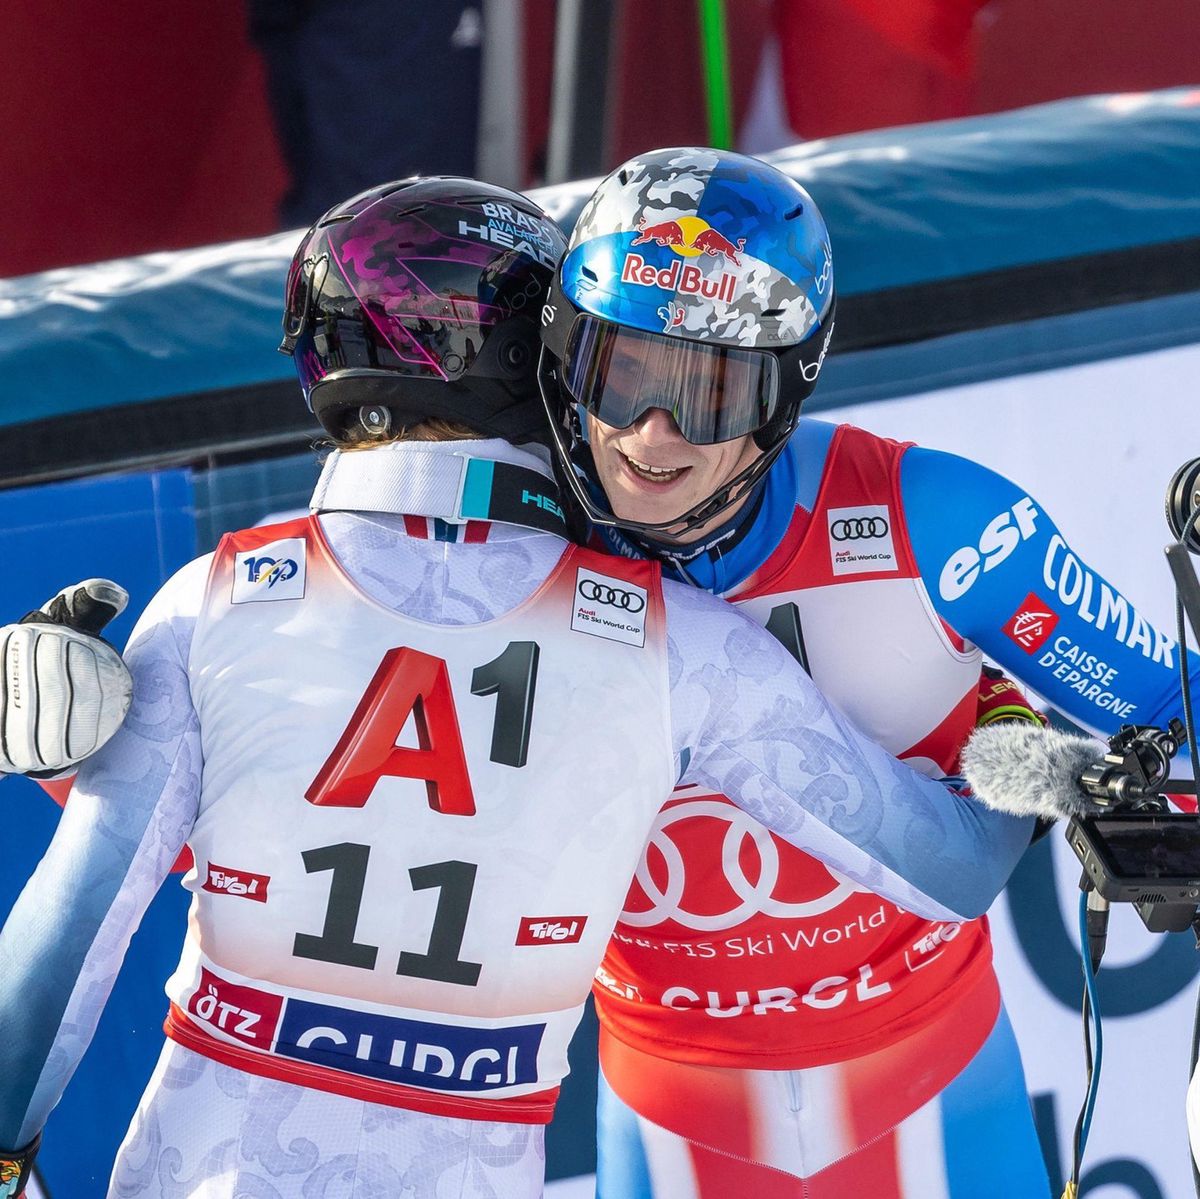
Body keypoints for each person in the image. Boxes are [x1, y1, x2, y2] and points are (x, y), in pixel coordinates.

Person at [0, 178, 1034, 1199]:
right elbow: (953, 868)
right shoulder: (681, 642)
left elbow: (76, 925)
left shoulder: (217, 597)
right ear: (549, 370)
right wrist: (1006, 723)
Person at [534, 148, 1198, 1197]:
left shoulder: (934, 525)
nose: (652, 433)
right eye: (622, 373)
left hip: (937, 1084)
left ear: (785, 390)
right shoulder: (505, 544)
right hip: (670, 1111)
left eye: (707, 390)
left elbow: (1168, 704)